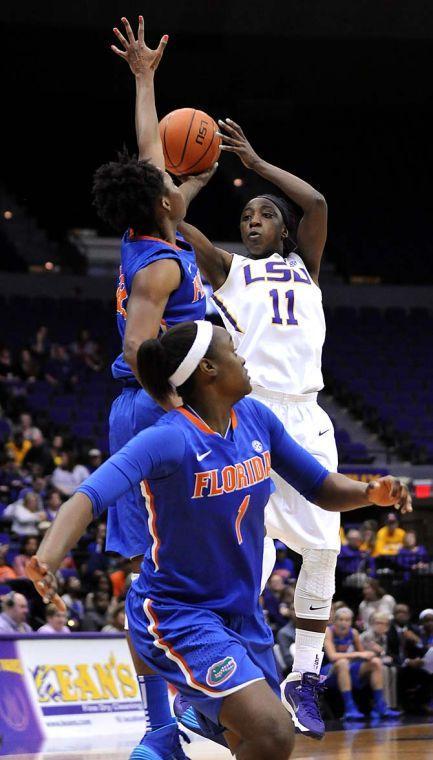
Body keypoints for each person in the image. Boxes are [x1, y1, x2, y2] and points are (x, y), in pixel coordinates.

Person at [26, 321, 411, 758]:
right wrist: (47, 558)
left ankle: (181, 735)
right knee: (272, 730)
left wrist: (369, 493)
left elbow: (319, 485)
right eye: (233, 350)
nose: (243, 357)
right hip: (179, 611)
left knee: (254, 743)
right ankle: (178, 728)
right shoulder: (168, 437)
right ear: (208, 369)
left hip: (242, 614)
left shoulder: (256, 418)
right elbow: (90, 495)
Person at [122, 18, 346, 739]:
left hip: (303, 415)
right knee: (238, 563)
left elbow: (313, 204)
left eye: (260, 215)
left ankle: (304, 672)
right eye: (244, 213)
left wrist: (253, 159)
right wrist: (176, 174)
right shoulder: (225, 267)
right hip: (244, 410)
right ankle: (201, 690)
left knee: (325, 544)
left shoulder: (305, 265)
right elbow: (164, 207)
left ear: (279, 229)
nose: (251, 220)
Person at [101, 16, 217, 759]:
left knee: (176, 569)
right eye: (172, 180)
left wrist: (145, 80)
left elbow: (150, 152)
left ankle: (184, 709)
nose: (175, 178)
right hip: (152, 409)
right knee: (154, 577)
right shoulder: (158, 266)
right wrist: (181, 414)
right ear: (165, 201)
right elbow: (140, 349)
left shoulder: (160, 229)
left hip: (161, 408)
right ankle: (160, 725)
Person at [322, 607, 400, 720]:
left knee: (375, 662)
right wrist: (357, 655)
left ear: (351, 622)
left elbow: (363, 655)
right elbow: (333, 656)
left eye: (347, 620)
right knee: (342, 662)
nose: (344, 623)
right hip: (328, 670)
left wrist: (372, 653)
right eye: (341, 620)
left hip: (348, 667)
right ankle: (350, 708)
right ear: (335, 621)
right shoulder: (328, 631)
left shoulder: (353, 633)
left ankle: (380, 706)